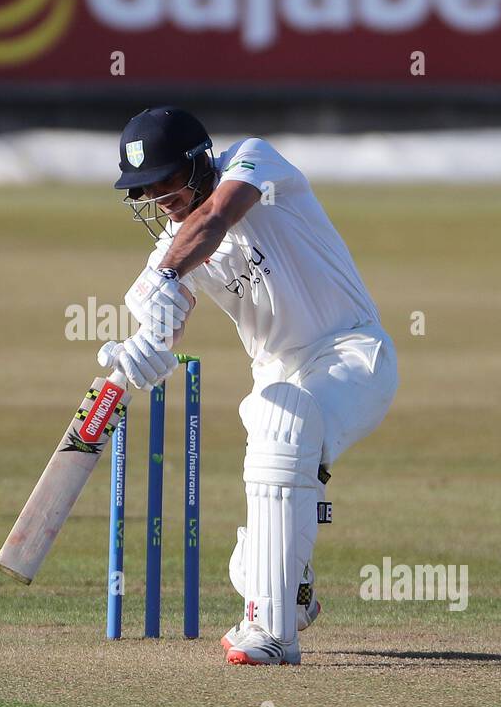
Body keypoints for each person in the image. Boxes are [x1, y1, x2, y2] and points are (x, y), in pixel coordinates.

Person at [103, 106, 398, 665]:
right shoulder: (169, 248)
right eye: (143, 188)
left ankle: (270, 631)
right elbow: (170, 316)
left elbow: (216, 216)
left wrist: (163, 275)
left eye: (165, 179)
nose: (158, 196)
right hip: (276, 380)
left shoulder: (253, 160)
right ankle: (295, 590)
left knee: (281, 423)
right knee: (253, 555)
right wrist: (147, 349)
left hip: (353, 355)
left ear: (196, 163)